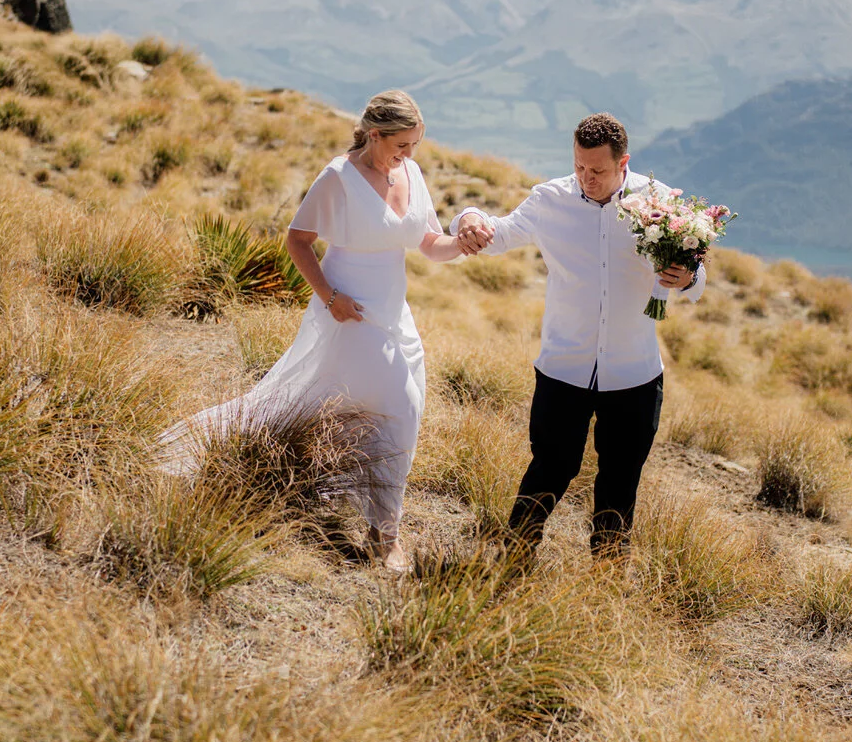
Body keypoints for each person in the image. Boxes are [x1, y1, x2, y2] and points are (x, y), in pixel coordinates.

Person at [156, 90, 465, 572]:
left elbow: (429, 243)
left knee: (362, 403)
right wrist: (328, 296)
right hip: (349, 310)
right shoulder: (339, 177)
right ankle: (386, 536)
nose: (409, 155)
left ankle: (346, 497)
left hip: (394, 313)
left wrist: (462, 244)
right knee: (400, 405)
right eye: (402, 145)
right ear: (375, 134)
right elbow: (298, 240)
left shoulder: (412, 173)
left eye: (415, 145)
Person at [451, 112, 705, 561]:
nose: (587, 179)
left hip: (634, 374)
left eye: (598, 171)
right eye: (580, 168)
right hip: (563, 368)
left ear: (623, 162)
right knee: (549, 468)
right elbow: (499, 234)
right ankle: (513, 559)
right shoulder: (549, 200)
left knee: (620, 481)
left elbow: (695, 281)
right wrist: (468, 216)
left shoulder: (663, 203)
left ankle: (605, 580)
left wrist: (686, 277)